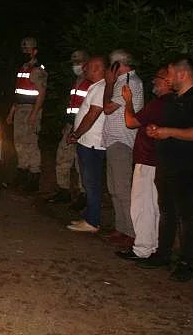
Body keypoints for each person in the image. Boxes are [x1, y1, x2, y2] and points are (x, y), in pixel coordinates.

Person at [138, 56, 193, 282]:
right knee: (167, 211)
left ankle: (186, 263)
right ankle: (163, 254)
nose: (167, 78)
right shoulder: (172, 100)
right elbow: (167, 128)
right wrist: (157, 130)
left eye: (169, 73)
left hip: (187, 166)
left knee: (186, 215)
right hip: (166, 164)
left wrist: (168, 132)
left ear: (182, 73)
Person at [116, 67, 172, 260]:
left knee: (142, 206)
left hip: (148, 161)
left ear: (167, 81)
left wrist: (128, 101)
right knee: (155, 207)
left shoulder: (159, 104)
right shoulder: (175, 104)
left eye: (157, 78)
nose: (154, 82)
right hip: (161, 161)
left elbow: (131, 122)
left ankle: (142, 249)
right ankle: (153, 247)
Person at [102, 49, 144, 248]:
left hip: (122, 141)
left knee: (122, 189)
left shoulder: (129, 82)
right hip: (113, 140)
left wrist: (109, 83)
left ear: (117, 65)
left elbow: (108, 107)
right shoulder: (122, 81)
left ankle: (131, 232)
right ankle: (121, 228)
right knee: (114, 188)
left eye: (111, 64)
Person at [65, 56, 107, 233]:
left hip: (92, 143)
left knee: (91, 182)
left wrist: (76, 134)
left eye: (87, 67)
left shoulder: (101, 87)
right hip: (87, 141)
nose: (85, 70)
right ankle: (90, 217)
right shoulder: (96, 86)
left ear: (97, 68)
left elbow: (93, 114)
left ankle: (93, 221)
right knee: (89, 181)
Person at [48, 50, 91, 205]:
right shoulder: (76, 81)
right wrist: (67, 124)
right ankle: (63, 191)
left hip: (84, 129)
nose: (75, 66)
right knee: (62, 158)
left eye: (78, 63)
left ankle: (83, 194)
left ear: (87, 63)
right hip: (70, 126)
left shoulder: (92, 84)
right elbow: (71, 106)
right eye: (74, 63)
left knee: (81, 163)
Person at [6, 37, 47, 192]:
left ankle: (34, 177)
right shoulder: (22, 68)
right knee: (19, 142)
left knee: (31, 143)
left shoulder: (38, 70)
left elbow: (42, 94)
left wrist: (34, 115)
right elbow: (18, 93)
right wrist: (11, 113)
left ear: (34, 51)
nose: (25, 52)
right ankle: (21, 172)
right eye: (23, 49)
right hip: (20, 110)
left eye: (27, 49)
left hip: (31, 110)